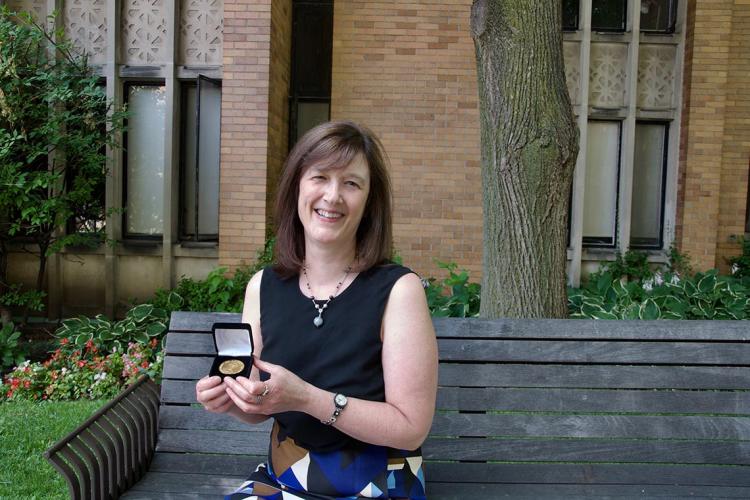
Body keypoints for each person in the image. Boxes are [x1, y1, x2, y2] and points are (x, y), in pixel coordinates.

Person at [195, 121, 438, 499]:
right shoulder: (263, 286)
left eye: (352, 183)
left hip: (380, 482)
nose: (333, 195)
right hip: (285, 478)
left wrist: (308, 398)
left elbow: (411, 428)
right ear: (297, 186)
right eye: (320, 177)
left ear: (370, 201)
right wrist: (233, 402)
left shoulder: (398, 290)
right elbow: (260, 405)